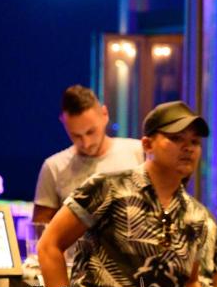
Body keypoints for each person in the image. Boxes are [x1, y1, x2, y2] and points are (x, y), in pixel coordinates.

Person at [38, 101, 217, 287]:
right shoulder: (108, 188)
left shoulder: (197, 216)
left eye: (194, 141)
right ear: (147, 144)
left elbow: (189, 286)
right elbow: (49, 245)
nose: (188, 147)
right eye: (175, 138)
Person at [32, 85, 144, 226]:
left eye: (91, 132)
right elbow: (41, 227)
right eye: (76, 135)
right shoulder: (54, 167)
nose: (86, 143)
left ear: (105, 115)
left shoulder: (138, 153)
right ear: (63, 123)